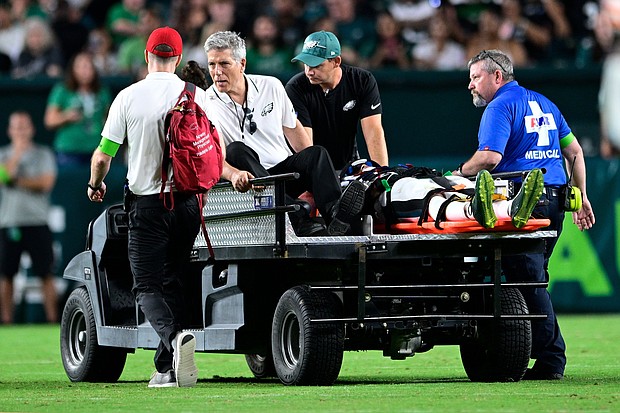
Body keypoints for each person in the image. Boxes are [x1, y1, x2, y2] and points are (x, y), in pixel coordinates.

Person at [453, 49, 595, 380]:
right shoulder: (544, 103)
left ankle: (550, 360)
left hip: (524, 202)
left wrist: (459, 174)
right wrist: (582, 195)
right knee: (528, 279)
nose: (471, 85)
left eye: (475, 77)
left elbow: (489, 158)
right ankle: (523, 353)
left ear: (497, 77)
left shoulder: (500, 106)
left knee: (526, 281)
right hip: (556, 198)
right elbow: (573, 150)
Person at [86, 26, 212, 388]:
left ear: (146, 56)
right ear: (176, 57)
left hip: (149, 205)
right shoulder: (196, 95)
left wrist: (95, 184)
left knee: (146, 287)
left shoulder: (128, 97)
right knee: (174, 281)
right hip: (189, 204)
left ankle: (174, 341)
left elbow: (102, 157)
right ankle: (167, 369)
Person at [203, 30, 366, 236]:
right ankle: (297, 215)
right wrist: (234, 174)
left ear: (242, 64)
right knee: (236, 150)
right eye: (212, 64)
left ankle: (336, 215)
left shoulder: (271, 86)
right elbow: (212, 158)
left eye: (224, 64)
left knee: (316, 153)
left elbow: (295, 130)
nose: (217, 72)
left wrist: (316, 176)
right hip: (251, 184)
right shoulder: (205, 103)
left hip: (284, 176)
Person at [285, 30, 389, 171]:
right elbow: (305, 146)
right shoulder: (295, 88)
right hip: (310, 168)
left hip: (348, 165)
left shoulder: (362, 80)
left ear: (336, 62)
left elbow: (373, 131)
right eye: (306, 64)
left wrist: (381, 172)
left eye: (316, 65)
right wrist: (315, 179)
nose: (309, 71)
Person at [0, 110, 57, 324]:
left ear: (32, 129)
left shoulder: (44, 154)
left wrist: (17, 181)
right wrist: (17, 154)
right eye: (17, 126)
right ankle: (6, 321)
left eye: (24, 126)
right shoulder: (3, 154)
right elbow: (3, 177)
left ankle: (53, 320)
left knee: (45, 273)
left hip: (37, 221)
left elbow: (45, 183)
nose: (21, 131)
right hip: (9, 222)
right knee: (6, 274)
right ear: (10, 130)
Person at [44, 51, 112, 166]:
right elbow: (49, 121)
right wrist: (66, 116)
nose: (84, 71)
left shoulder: (102, 92)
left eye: (88, 66)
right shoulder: (62, 90)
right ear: (72, 69)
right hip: (69, 150)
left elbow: (109, 121)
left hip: (96, 149)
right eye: (80, 67)